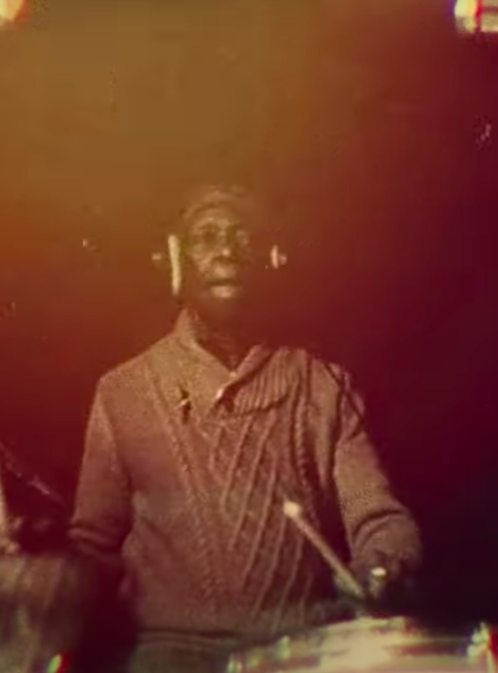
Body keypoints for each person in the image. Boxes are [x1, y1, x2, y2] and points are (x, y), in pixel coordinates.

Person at [67, 184, 423, 673]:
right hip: (174, 654)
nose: (226, 251)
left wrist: (385, 566)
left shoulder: (323, 384)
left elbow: (376, 516)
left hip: (304, 646)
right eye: (206, 237)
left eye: (241, 237)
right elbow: (94, 546)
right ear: (177, 262)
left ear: (269, 261)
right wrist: (41, 574)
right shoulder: (123, 391)